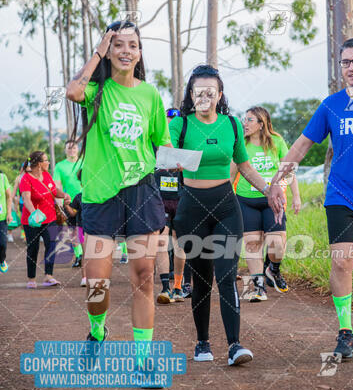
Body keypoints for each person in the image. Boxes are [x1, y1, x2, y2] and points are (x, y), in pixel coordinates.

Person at [269, 37, 353, 360]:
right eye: (345, 62)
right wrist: (277, 180)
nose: (351, 67)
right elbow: (301, 146)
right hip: (341, 195)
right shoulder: (331, 106)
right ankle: (345, 332)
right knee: (342, 260)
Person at [66, 20, 172, 346]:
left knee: (143, 276)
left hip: (141, 189)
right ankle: (98, 327)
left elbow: (161, 143)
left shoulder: (150, 94)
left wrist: (177, 160)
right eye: (119, 45)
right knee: (98, 282)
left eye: (133, 45)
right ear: (110, 50)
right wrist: (98, 51)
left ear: (140, 53)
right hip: (101, 194)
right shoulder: (97, 92)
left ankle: (143, 356)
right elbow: (73, 91)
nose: (126, 51)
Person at [169, 64, 276, 366]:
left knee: (227, 275)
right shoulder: (181, 125)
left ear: (219, 94)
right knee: (201, 280)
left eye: (210, 92)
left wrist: (270, 191)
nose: (205, 96)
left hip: (226, 205)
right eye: (198, 92)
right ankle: (202, 342)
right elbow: (163, 157)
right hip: (191, 207)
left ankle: (234, 345)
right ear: (191, 95)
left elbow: (244, 165)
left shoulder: (230, 124)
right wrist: (192, 157)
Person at [232, 106, 301, 301]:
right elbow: (232, 172)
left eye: (250, 120)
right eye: (244, 119)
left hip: (273, 201)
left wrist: (296, 196)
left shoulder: (276, 142)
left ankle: (273, 269)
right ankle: (258, 287)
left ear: (261, 124)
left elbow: (288, 170)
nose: (245, 123)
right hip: (246, 200)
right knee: (253, 245)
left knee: (276, 246)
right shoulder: (241, 144)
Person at [155, 107, 192, 304]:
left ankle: (178, 286)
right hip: (159, 200)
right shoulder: (154, 143)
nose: (171, 123)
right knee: (161, 242)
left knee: (179, 244)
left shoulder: (185, 145)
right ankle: (164, 288)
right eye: (168, 119)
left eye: (174, 120)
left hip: (181, 199)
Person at [20, 151, 70, 288]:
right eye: (46, 160)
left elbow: (54, 191)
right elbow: (26, 199)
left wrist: (64, 195)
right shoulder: (26, 179)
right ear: (39, 164)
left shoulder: (47, 175)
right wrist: (34, 214)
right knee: (33, 248)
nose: (48, 162)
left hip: (50, 218)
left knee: (51, 245)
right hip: (32, 221)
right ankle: (31, 279)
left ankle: (48, 276)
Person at [53, 140, 83, 268]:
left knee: (86, 229)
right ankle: (79, 255)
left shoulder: (84, 161)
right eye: (69, 148)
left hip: (85, 199)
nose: (72, 150)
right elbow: (57, 185)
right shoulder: (60, 166)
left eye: (74, 148)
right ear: (65, 150)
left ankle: (87, 254)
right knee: (73, 230)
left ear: (78, 149)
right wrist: (59, 203)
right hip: (69, 201)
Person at [63, 170, 86, 287]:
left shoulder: (99, 195)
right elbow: (72, 213)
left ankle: (100, 276)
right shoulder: (79, 197)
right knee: (86, 253)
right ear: (81, 183)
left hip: (98, 228)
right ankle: (85, 277)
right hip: (83, 228)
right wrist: (66, 204)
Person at [0, 171, 12, 272]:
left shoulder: (3, 178)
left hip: (2, 217)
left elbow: (9, 196)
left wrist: (9, 213)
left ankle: (2, 259)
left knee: (2, 243)